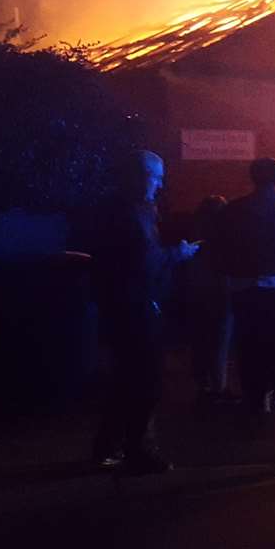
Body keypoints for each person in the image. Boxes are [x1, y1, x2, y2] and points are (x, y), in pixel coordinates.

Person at [89, 150, 198, 474]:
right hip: (135, 310)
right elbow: (145, 262)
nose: (160, 185)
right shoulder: (130, 214)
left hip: (128, 307)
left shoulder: (122, 209)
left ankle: (112, 446)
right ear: (137, 177)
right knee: (144, 381)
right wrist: (178, 253)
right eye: (155, 177)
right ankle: (136, 448)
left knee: (128, 379)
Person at [218, 157, 275, 417]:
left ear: (252, 177)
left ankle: (254, 396)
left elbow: (227, 245)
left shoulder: (234, 209)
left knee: (248, 341)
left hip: (244, 285)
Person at [181, 195, 233, 406]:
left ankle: (203, 385)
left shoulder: (196, 238)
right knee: (220, 340)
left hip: (197, 292)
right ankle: (219, 389)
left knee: (200, 339)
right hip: (221, 292)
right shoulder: (226, 240)